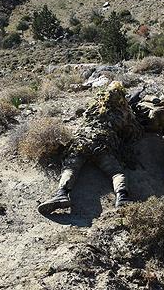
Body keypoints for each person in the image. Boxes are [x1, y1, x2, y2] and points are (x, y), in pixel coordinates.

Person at [38, 81, 142, 215]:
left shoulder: (94, 107)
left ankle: (61, 194)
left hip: (81, 142)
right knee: (116, 173)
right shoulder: (122, 112)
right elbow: (132, 133)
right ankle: (122, 197)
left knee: (70, 168)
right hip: (103, 145)